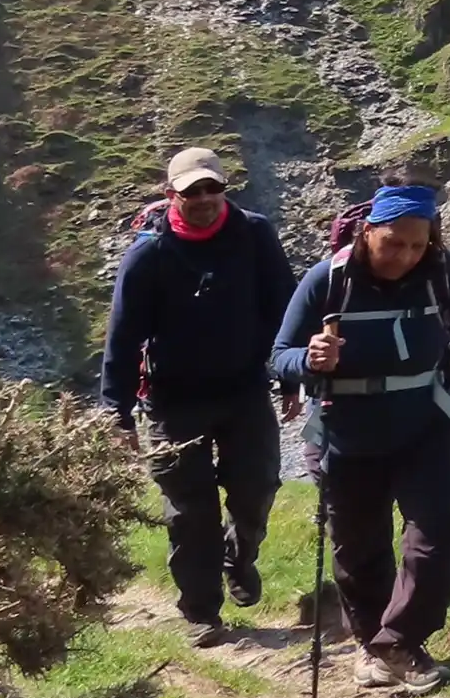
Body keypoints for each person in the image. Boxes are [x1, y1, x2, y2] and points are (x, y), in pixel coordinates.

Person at [272, 165, 450, 697]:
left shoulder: (443, 271)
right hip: (346, 434)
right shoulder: (327, 280)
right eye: (394, 243)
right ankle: (377, 645)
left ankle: (397, 643)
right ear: (368, 231)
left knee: (439, 534)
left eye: (418, 245)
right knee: (357, 550)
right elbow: (277, 358)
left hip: (428, 426)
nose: (406, 256)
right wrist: (309, 359)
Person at [98, 147, 299, 648]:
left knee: (257, 488)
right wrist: (116, 413)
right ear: (172, 195)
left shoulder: (255, 234)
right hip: (173, 399)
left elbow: (284, 307)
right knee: (190, 511)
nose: (205, 199)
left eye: (213, 188)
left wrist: (293, 379)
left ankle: (240, 556)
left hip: (245, 388)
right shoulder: (149, 254)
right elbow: (122, 337)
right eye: (192, 192)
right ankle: (202, 612)